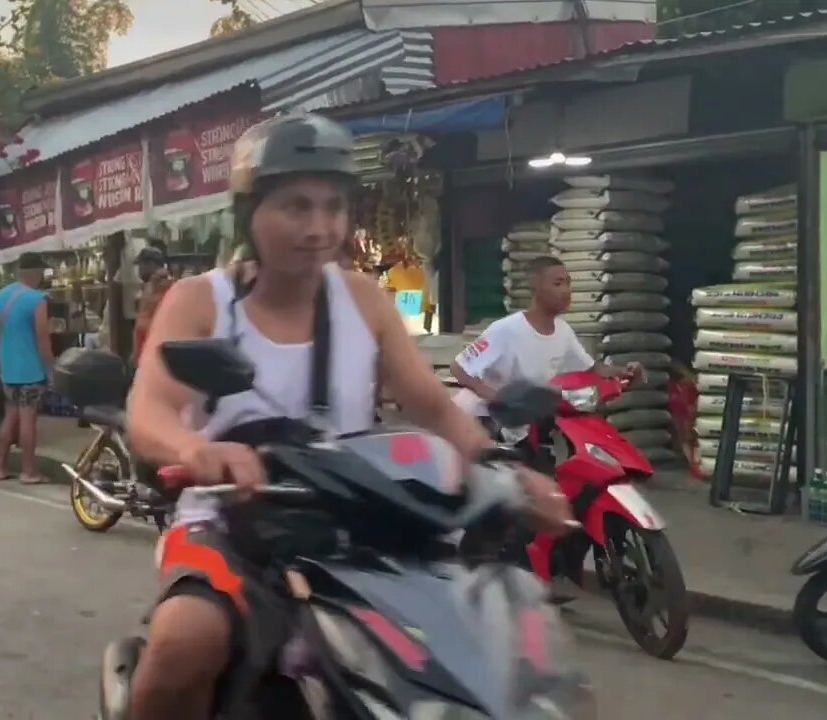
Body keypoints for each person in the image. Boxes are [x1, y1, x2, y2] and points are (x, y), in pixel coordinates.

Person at [123, 114, 572, 720]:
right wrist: (196, 449)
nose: (318, 228)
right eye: (295, 206)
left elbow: (433, 405)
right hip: (230, 521)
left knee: (475, 651)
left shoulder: (365, 300)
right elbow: (148, 409)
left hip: (361, 520)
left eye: (334, 207)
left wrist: (503, 467)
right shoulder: (201, 301)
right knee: (185, 640)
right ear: (249, 211)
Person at [450, 254, 644, 451]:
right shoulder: (506, 329)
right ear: (535, 286)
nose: (566, 291)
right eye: (558, 284)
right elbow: (458, 367)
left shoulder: (563, 331)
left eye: (568, 284)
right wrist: (495, 396)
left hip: (521, 422)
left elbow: (592, 369)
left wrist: (624, 372)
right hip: (482, 420)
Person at [0, 254, 54, 484]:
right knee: (28, 420)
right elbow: (42, 336)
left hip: (9, 369)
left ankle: (1, 467)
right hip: (30, 370)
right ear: (35, 273)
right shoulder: (37, 299)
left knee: (10, 417)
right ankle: (28, 471)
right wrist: (51, 367)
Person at [132, 243, 172, 364]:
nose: (138, 270)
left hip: (154, 357)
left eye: (141, 265)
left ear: (151, 264)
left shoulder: (161, 285)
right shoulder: (152, 285)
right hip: (148, 354)